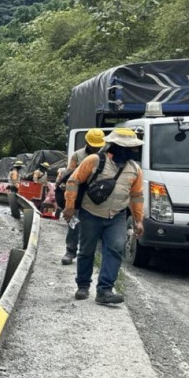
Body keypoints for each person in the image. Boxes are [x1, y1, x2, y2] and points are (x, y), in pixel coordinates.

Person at [62, 128, 144, 305]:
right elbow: (73, 181)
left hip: (117, 216)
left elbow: (136, 196)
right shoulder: (94, 161)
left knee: (115, 249)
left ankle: (105, 290)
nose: (134, 151)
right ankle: (83, 285)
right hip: (90, 214)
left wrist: (138, 220)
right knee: (86, 251)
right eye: (130, 147)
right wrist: (69, 207)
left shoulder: (135, 169)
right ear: (117, 146)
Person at [58, 128, 106, 264]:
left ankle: (93, 255)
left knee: (98, 225)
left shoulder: (107, 156)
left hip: (98, 196)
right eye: (93, 146)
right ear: (87, 142)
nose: (96, 149)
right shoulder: (78, 156)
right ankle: (70, 251)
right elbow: (70, 176)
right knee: (75, 223)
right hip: (79, 195)